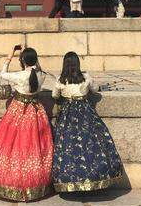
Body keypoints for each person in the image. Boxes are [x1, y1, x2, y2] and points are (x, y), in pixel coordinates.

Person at [0, 47, 52, 201]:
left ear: (22, 61)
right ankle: (36, 184)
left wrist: (10, 56)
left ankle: (13, 183)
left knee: (14, 148)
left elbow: (2, 74)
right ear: (36, 60)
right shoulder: (42, 75)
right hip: (36, 112)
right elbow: (37, 68)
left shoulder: (20, 76)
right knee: (35, 148)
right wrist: (29, 57)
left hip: (19, 111)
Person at [51, 52, 124, 192]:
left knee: (67, 145)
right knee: (91, 142)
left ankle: (68, 179)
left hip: (68, 113)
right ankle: (96, 176)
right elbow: (95, 89)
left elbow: (54, 95)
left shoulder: (60, 79)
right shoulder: (86, 77)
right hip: (85, 111)